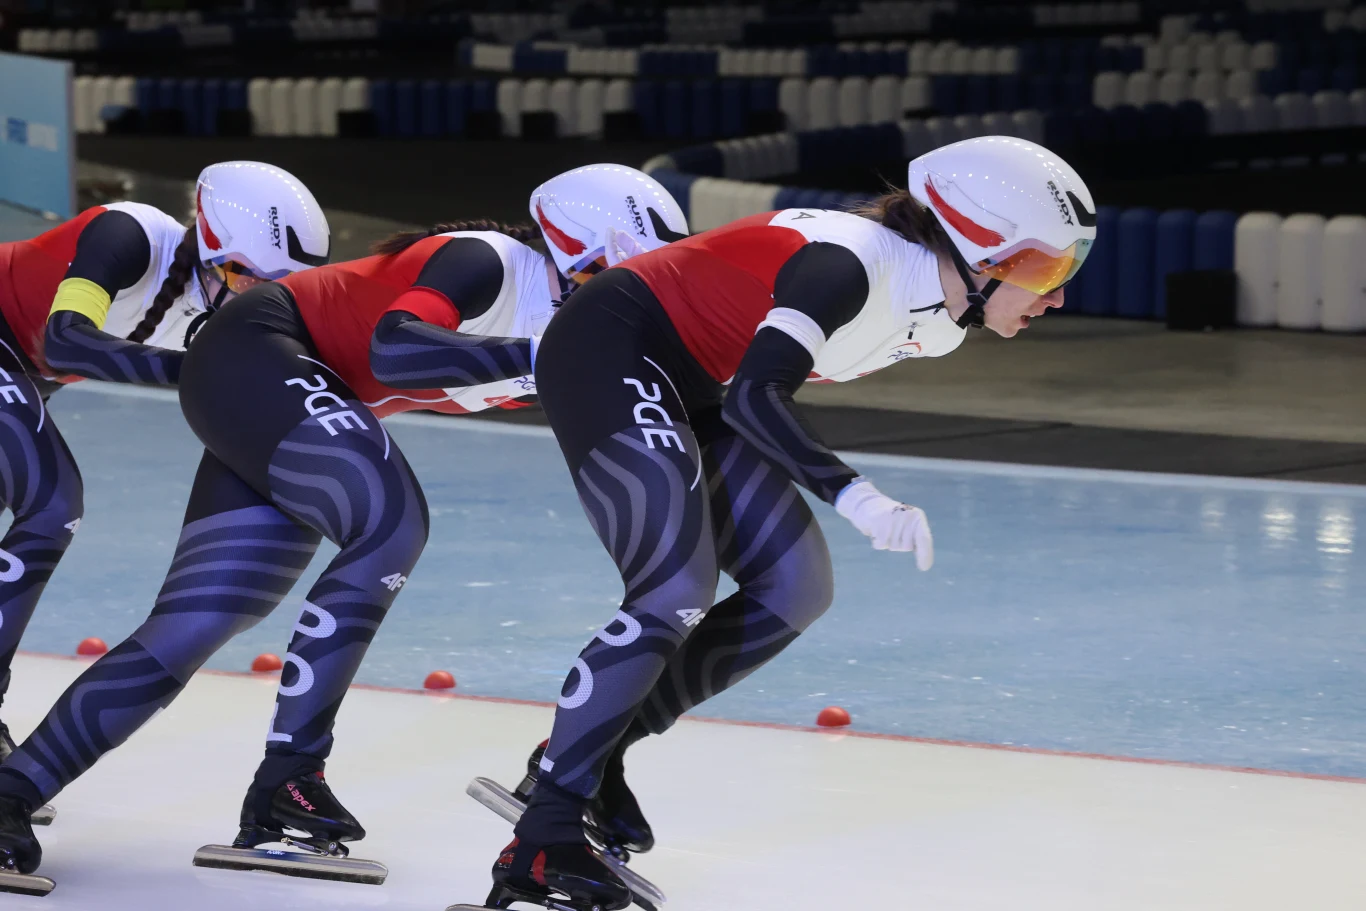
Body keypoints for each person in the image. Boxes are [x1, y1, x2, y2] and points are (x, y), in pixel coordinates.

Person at [0, 163, 687, 884]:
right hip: (260, 363)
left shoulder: (585, 336)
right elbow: (396, 343)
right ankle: (292, 775)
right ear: (583, 256)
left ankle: (15, 792)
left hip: (275, 402)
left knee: (195, 622)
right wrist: (543, 356)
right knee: (391, 524)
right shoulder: (486, 262)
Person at [478, 136, 1096, 911]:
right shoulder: (850, 264)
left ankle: (588, 762)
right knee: (673, 588)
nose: (1058, 295)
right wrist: (855, 494)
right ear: (980, 245)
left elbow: (739, 385)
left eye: (1067, 271)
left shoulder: (938, 320)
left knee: (797, 585)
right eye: (1046, 269)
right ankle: (541, 841)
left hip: (696, 382)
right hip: (613, 346)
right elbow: (758, 397)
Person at [0, 161, 329, 766]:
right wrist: (195, 370)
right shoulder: (127, 235)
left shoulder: (224, 299)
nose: (250, 297)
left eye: (272, 287)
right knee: (51, 506)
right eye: (241, 275)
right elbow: (67, 338)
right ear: (210, 245)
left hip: (22, 376)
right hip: (18, 353)